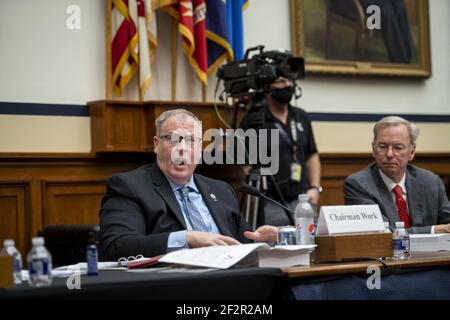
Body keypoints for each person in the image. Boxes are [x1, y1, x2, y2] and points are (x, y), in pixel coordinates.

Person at [100, 109, 278, 261]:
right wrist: (186, 238)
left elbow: (241, 243)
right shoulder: (129, 187)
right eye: (173, 139)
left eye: (192, 141)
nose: (183, 148)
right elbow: (116, 247)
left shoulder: (221, 190)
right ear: (156, 144)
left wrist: (259, 240)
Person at [344, 116, 450, 234]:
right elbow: (383, 233)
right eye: (383, 147)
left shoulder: (431, 181)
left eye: (398, 147)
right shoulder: (358, 184)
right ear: (373, 149)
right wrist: (433, 230)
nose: (389, 154)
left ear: (412, 152)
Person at [239, 76, 321, 226]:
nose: (288, 85)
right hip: (270, 202)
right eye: (281, 81)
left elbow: (312, 155)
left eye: (290, 80)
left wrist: (315, 188)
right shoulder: (254, 119)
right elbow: (243, 163)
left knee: (311, 244)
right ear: (268, 86)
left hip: (302, 199)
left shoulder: (301, 116)